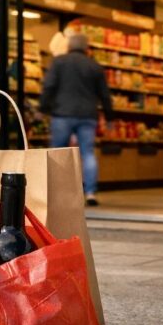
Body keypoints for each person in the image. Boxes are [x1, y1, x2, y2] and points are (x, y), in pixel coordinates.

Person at [40, 32, 114, 206]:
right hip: (88, 115)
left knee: (57, 153)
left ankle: (55, 191)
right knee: (88, 153)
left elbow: (49, 86)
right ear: (87, 48)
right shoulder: (95, 66)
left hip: (62, 114)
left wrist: (42, 108)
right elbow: (105, 95)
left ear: (69, 46)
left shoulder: (59, 62)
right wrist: (110, 117)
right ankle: (90, 192)